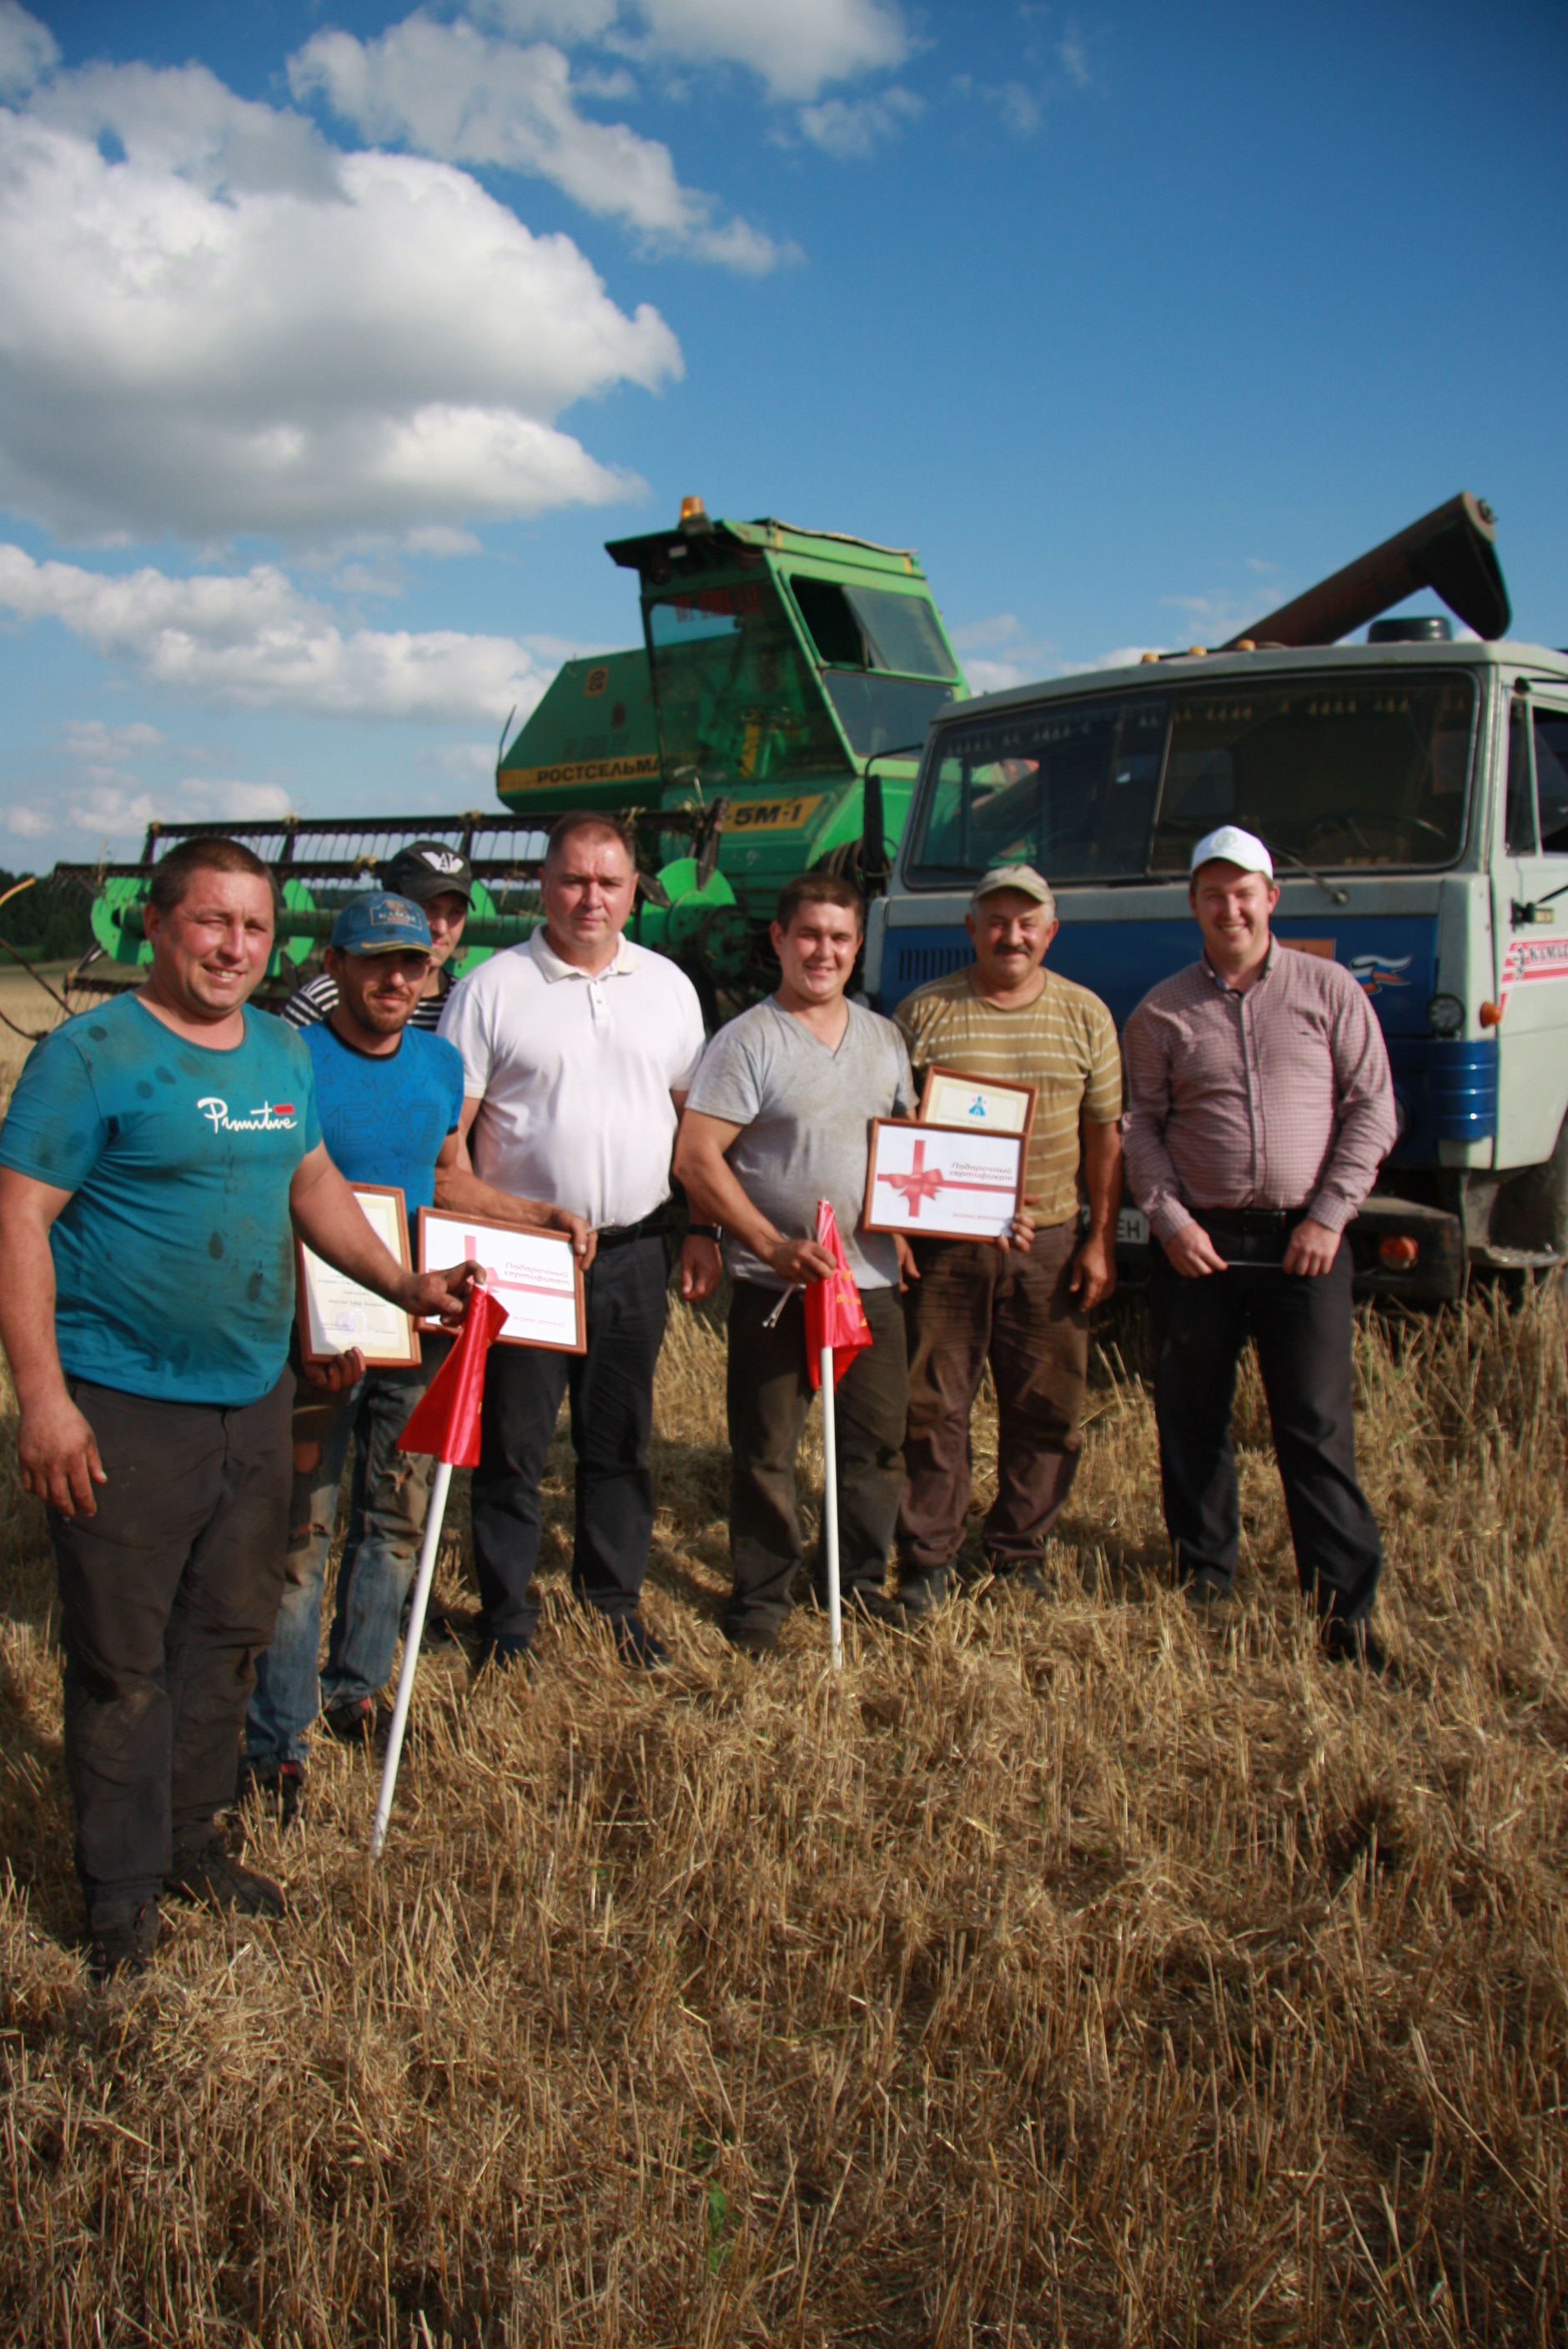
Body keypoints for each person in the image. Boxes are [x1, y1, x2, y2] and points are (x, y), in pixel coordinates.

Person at [0, 842, 477, 1981]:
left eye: (252, 928)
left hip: (253, 1395)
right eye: (209, 922)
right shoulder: (90, 1054)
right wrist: (45, 1403)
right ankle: (117, 1900)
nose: (230, 946)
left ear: (276, 944)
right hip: (123, 1405)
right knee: (123, 1660)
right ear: (157, 927)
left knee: (223, 1636)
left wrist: (400, 1283)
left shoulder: (278, 1050)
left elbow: (310, 1184)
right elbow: (19, 1221)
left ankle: (191, 1839)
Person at [244, 893, 591, 1821]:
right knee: (298, 1539)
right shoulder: (289, 1062)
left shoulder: (439, 1064)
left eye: (412, 963)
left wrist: (538, 1216)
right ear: (333, 964)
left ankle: (355, 1685)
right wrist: (306, 1329)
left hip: (416, 1326)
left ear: (432, 970)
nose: (395, 979)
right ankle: (274, 1736)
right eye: (373, 962)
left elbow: (447, 1175)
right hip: (317, 1336)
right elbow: (268, 1193)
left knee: (395, 1518)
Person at [439, 812, 718, 1669]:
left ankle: (613, 1599)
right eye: (572, 879)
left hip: (635, 1249)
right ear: (542, 885)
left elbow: (692, 1126)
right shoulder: (489, 988)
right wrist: (511, 1221)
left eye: (608, 881)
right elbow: (449, 1149)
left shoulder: (669, 985)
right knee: (514, 1442)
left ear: (635, 889)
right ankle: (507, 1615)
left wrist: (701, 1224)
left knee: (619, 1436)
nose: (589, 897)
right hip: (522, 1255)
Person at [1122, 824, 1397, 1667]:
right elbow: (1140, 1129)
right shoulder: (1161, 1009)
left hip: (1301, 1245)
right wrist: (1168, 1221)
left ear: (1269, 899)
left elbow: (1371, 1109)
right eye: (1212, 893)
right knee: (1191, 1417)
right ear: (1194, 905)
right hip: (1197, 1249)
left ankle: (1342, 1611)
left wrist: (1327, 1215)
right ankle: (1204, 1578)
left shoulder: (1329, 990)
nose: (1228, 906)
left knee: (1312, 1425)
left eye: (1243, 891)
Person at [673, 872, 917, 1654]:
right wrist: (767, 1244)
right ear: (778, 939)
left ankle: (854, 1583)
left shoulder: (884, 1038)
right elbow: (697, 1159)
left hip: (869, 1282)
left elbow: (901, 1149)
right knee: (766, 1451)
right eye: (809, 935)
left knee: (874, 1448)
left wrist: (906, 1223)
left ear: (857, 947)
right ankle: (762, 1599)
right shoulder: (746, 1041)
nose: (825, 952)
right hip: (776, 1287)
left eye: (841, 939)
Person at [892, 864, 1123, 1612]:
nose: (1011, 935)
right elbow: (899, 1131)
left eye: (1028, 922)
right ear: (971, 928)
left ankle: (1020, 1552)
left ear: (1050, 932)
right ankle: (929, 1558)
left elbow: (1104, 1138)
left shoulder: (1087, 1016)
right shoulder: (923, 1013)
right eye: (996, 919)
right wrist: (909, 1225)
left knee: (1046, 1405)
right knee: (932, 1406)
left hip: (1049, 1242)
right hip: (948, 1246)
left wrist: (1099, 1240)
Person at [282, 841, 473, 1034]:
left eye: (456, 913)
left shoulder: (468, 1005)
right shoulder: (325, 1000)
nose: (441, 928)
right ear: (388, 902)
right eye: (426, 908)